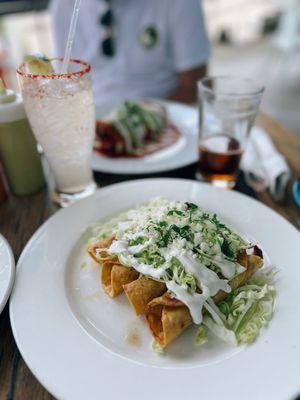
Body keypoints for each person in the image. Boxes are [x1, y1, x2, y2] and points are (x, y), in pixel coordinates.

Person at [50, 0, 210, 105]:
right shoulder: (64, 5)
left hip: (167, 118)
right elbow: (68, 86)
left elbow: (196, 86)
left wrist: (142, 119)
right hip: (90, 126)